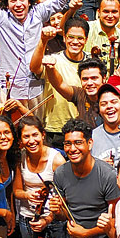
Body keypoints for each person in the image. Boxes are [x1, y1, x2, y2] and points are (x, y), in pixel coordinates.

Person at [50, 118, 120, 238]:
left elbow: (116, 221)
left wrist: (86, 233)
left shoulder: (108, 175)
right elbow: (64, 215)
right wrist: (57, 211)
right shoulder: (60, 173)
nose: (72, 149)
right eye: (68, 144)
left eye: (78, 143)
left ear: (90, 144)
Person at [30, 17, 89, 145]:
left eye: (80, 38)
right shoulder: (53, 59)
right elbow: (34, 67)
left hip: (84, 128)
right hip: (55, 129)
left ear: (86, 40)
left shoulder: (92, 62)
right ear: (64, 38)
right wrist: (43, 40)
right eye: (71, 37)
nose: (75, 42)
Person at [14, 116, 66, 238]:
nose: (31, 141)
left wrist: (48, 219)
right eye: (26, 136)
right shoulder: (20, 158)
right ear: (20, 140)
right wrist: (27, 195)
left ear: (43, 135)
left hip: (53, 220)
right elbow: (17, 191)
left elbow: (65, 197)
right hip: (27, 218)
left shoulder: (57, 160)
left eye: (35, 135)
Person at [41, 57, 107, 129]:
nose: (89, 83)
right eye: (85, 79)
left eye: (94, 78)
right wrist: (50, 68)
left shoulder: (112, 95)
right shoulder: (80, 94)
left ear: (104, 78)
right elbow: (60, 85)